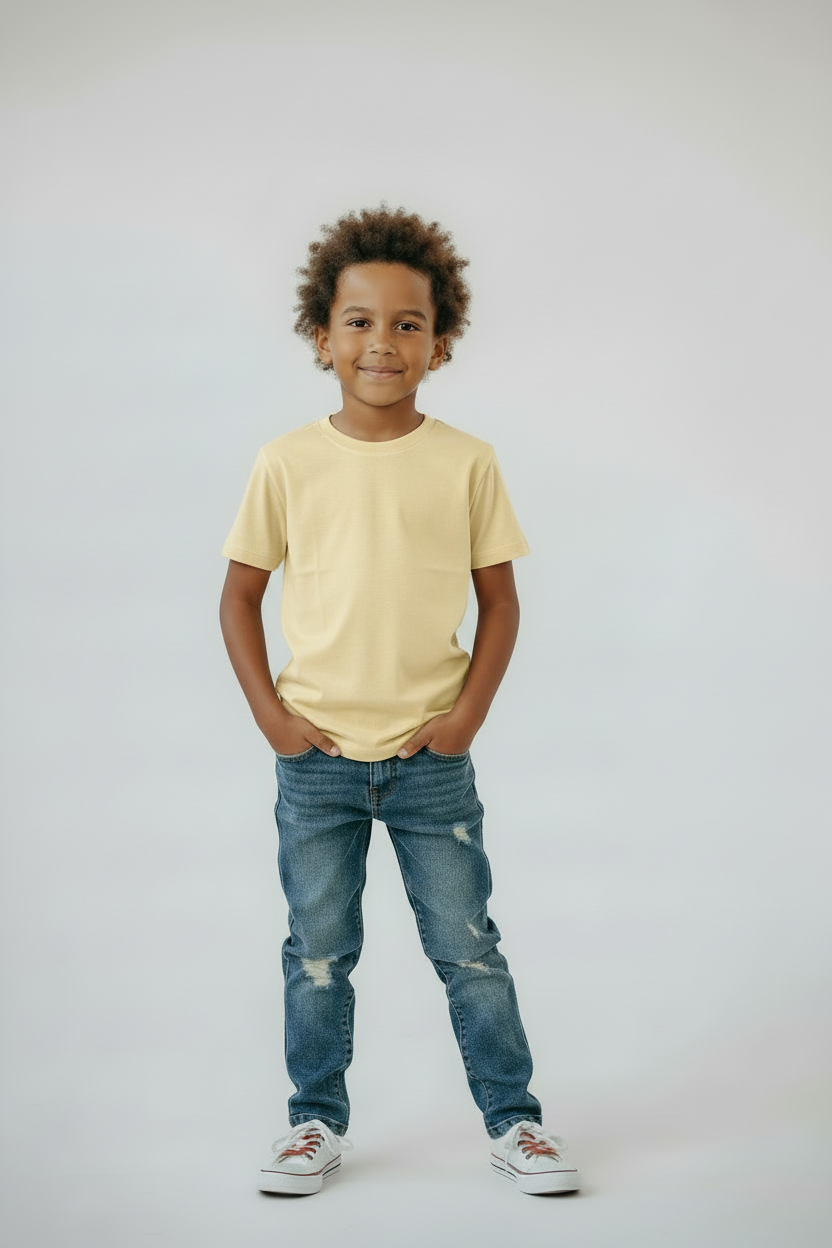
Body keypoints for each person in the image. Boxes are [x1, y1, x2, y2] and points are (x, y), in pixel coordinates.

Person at [219, 206, 581, 1197]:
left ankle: (515, 1122)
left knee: (469, 950)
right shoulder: (286, 461)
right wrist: (271, 715)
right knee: (319, 954)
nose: (383, 342)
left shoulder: (465, 460)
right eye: (361, 322)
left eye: (408, 324)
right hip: (317, 761)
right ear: (322, 336)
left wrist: (464, 718)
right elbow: (240, 595)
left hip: (432, 763)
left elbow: (500, 600)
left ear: (442, 341)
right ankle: (313, 1124)